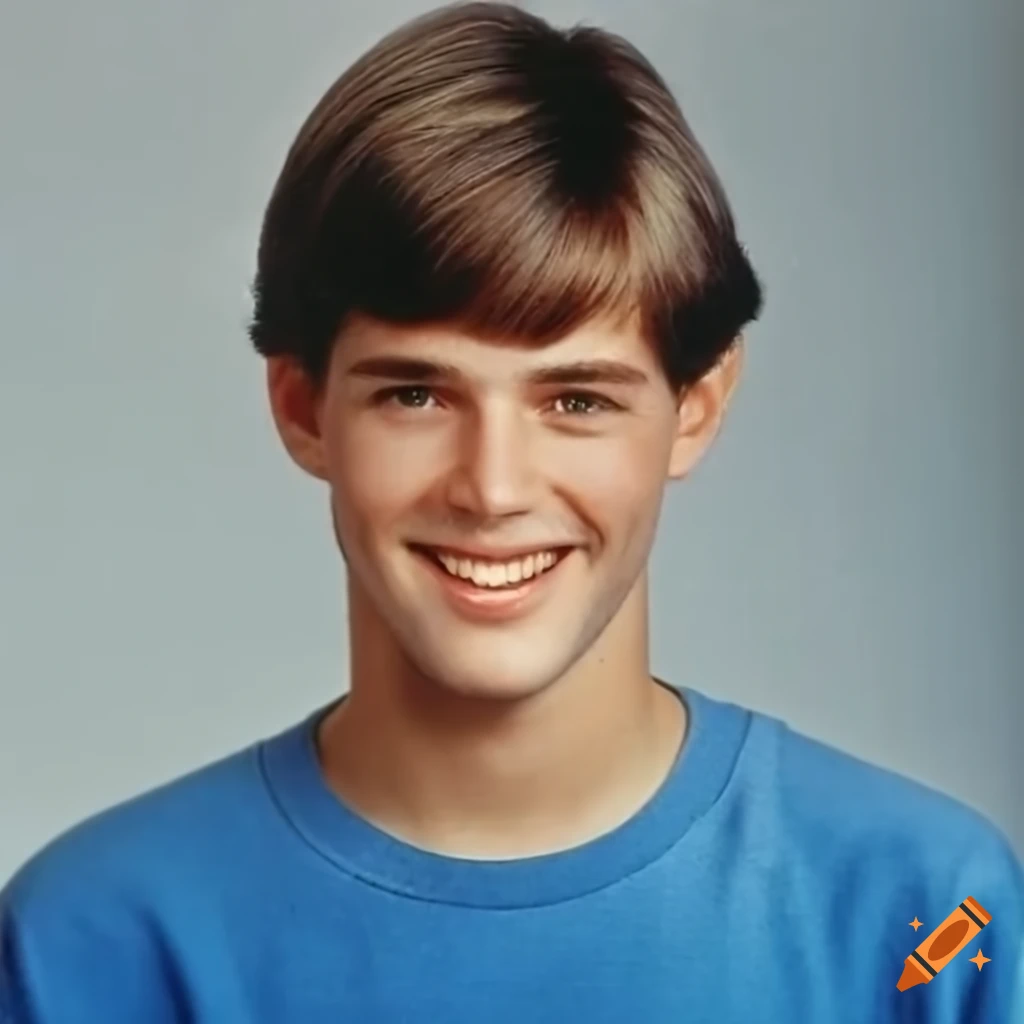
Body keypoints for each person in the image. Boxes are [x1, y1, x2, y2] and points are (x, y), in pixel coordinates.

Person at [1, 2, 1021, 1021]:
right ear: (304, 409)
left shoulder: (924, 921)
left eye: (575, 400)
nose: (492, 488)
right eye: (416, 394)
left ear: (695, 407)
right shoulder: (94, 945)